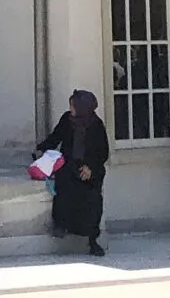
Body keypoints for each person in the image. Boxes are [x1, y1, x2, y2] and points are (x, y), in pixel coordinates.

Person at [40, 89, 112, 256]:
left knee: (92, 201)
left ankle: (92, 241)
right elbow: (55, 137)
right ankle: (62, 225)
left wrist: (90, 168)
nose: (71, 108)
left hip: (90, 169)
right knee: (64, 190)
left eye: (73, 105)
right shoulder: (67, 120)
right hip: (70, 166)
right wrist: (41, 148)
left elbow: (103, 152)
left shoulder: (96, 125)